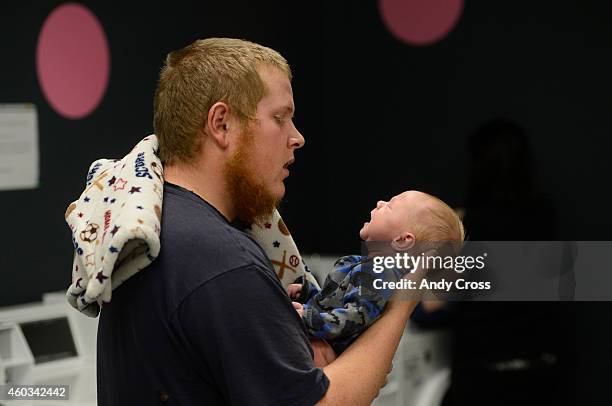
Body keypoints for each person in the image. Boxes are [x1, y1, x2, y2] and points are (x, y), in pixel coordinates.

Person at [93, 38, 419, 405]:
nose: (297, 137)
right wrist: (402, 300)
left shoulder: (158, 227)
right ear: (222, 124)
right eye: (280, 118)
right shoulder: (220, 260)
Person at [287, 191, 464, 355]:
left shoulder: (381, 275)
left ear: (402, 240)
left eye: (391, 205)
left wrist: (309, 318)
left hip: (326, 355)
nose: (380, 202)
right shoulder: (362, 265)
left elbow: (353, 318)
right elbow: (334, 305)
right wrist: (308, 293)